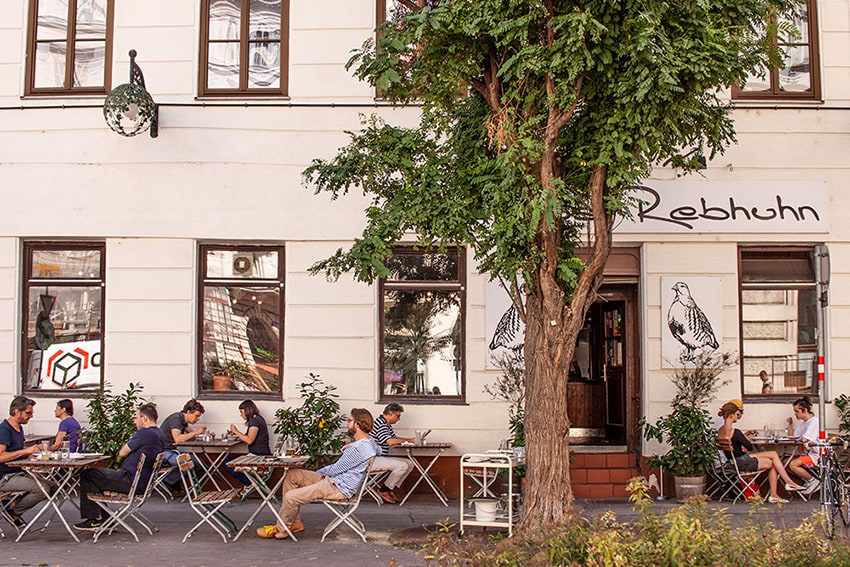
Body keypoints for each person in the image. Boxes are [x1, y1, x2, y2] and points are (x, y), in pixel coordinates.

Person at [256, 408, 378, 539]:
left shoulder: (357, 449)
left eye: (349, 421)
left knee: (291, 497)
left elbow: (335, 470)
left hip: (337, 487)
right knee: (293, 475)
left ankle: (282, 528)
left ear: (357, 424)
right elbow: (378, 449)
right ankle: (295, 523)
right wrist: (351, 445)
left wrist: (318, 473)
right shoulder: (369, 443)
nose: (347, 423)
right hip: (337, 482)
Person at [75, 403, 165, 531]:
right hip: (141, 481)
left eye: (136, 418)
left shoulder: (145, 433)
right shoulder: (159, 434)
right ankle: (104, 518)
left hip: (130, 481)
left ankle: (95, 519)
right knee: (98, 477)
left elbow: (122, 452)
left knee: (88, 475)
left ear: (144, 418)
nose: (135, 421)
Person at [717, 402, 803, 503]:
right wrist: (747, 439)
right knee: (773, 462)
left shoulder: (720, 431)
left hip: (733, 461)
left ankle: (786, 485)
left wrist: (742, 440)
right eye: (736, 414)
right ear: (731, 415)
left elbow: (735, 445)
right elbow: (749, 447)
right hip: (743, 462)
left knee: (774, 455)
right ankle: (782, 488)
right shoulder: (735, 432)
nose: (738, 416)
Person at [0, 396, 53, 528]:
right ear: (17, 412)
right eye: (28, 413)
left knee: (53, 486)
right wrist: (25, 451)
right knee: (43, 489)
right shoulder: (4, 430)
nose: (30, 416)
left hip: (18, 471)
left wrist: (32, 453)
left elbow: (17, 450)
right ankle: (12, 512)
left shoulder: (18, 428)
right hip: (5, 476)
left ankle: (13, 505)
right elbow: (1, 456)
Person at [369, 403, 414, 503]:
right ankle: (384, 490)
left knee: (410, 463)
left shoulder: (386, 425)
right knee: (403, 465)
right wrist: (411, 440)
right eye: (397, 416)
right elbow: (390, 441)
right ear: (390, 413)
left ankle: (389, 488)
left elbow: (395, 440)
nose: (399, 419)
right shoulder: (381, 424)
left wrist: (406, 441)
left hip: (380, 457)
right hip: (373, 459)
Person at [159, 399, 207, 490]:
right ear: (188, 412)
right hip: (164, 451)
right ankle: (167, 480)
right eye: (196, 416)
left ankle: (171, 480)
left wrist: (203, 434)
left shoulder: (183, 421)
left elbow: (191, 435)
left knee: (199, 462)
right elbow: (177, 438)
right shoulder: (176, 419)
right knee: (189, 462)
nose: (197, 419)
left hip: (173, 450)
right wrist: (196, 432)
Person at [224, 400, 271, 488]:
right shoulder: (257, 419)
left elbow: (249, 440)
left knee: (227, 464)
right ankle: (251, 483)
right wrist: (234, 434)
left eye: (241, 412)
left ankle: (250, 483)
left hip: (258, 457)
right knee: (228, 462)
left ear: (247, 410)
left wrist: (236, 431)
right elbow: (247, 437)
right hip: (259, 455)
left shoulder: (254, 421)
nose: (241, 415)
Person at [786, 395, 821, 495]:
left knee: (792, 464)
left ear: (804, 410)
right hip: (806, 454)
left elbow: (805, 439)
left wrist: (800, 440)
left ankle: (813, 480)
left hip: (816, 456)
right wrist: (790, 424)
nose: (795, 414)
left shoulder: (814, 422)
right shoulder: (803, 424)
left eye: (797, 411)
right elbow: (793, 438)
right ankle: (808, 480)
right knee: (784, 462)